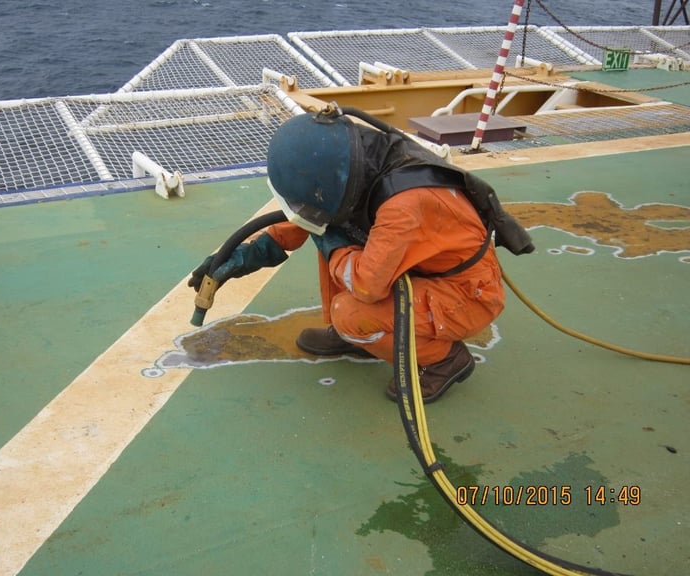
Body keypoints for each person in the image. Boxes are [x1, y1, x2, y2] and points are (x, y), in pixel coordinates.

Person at [189, 107, 531, 403]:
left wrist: (333, 242)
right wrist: (241, 257)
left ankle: (443, 360)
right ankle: (359, 338)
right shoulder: (356, 163)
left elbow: (367, 285)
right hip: (421, 270)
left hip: (464, 295)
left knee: (348, 304)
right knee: (332, 234)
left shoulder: (403, 205)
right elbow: (301, 221)